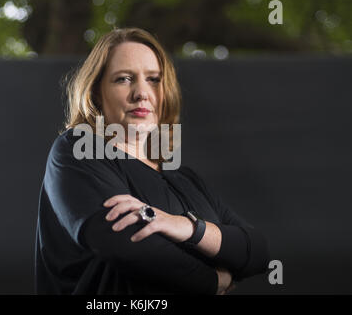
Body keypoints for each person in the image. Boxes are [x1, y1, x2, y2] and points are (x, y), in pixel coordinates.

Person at [35, 27, 270, 295]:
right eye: (124, 79)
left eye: (154, 79)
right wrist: (215, 280)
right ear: (97, 92)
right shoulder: (77, 151)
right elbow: (126, 246)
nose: (141, 93)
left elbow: (257, 250)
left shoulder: (184, 179)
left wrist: (188, 228)